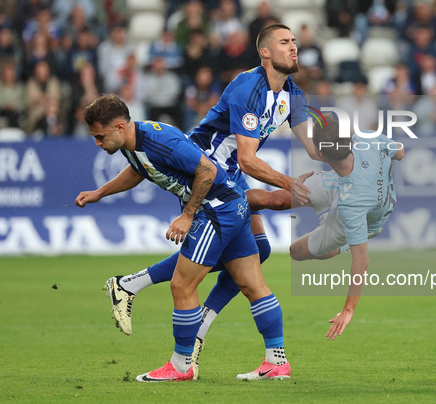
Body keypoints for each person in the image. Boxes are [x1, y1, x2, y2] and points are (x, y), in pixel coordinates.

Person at [102, 24, 315, 373]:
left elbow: (315, 148)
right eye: (285, 42)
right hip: (208, 177)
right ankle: (195, 335)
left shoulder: (293, 95)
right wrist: (296, 185)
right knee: (213, 269)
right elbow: (247, 159)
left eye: (295, 42)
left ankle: (135, 289)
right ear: (265, 52)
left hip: (230, 176)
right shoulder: (248, 88)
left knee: (252, 257)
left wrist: (358, 158)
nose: (294, 47)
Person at [75, 94, 290, 381]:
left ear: (119, 127)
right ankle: (277, 362)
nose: (98, 144)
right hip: (233, 206)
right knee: (252, 284)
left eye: (100, 137)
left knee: (182, 285)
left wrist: (188, 215)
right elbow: (139, 170)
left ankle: (180, 367)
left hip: (216, 210)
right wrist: (99, 193)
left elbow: (207, 169)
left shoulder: (160, 139)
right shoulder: (132, 144)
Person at [289, 113, 404, 339]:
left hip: (359, 212)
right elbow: (399, 152)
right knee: (286, 196)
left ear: (320, 154)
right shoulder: (368, 138)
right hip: (341, 182)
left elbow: (362, 261)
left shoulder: (351, 208)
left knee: (295, 251)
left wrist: (348, 309)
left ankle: (344, 243)